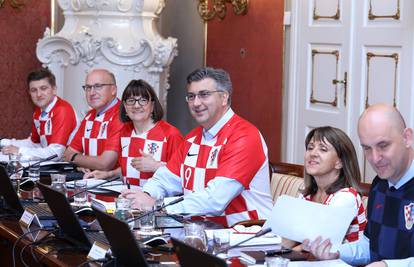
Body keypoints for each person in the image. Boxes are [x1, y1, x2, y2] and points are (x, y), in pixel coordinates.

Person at [120, 67, 273, 227]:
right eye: (191, 96)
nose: (196, 103)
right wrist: (145, 195)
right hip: (200, 232)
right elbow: (166, 178)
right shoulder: (193, 138)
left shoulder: (245, 136)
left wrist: (157, 205)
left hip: (246, 237)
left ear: (224, 97)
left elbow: (215, 200)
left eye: (204, 95)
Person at [304, 104, 414, 267]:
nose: (375, 158)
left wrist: (387, 265)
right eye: (367, 148)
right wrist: (337, 252)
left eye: (383, 145)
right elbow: (369, 247)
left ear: (407, 138)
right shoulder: (379, 185)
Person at [84, 79, 183, 185]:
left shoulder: (170, 134)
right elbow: (130, 170)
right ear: (125, 107)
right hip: (129, 198)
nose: (136, 106)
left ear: (152, 105)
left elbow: (181, 174)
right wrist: (109, 175)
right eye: (131, 100)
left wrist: (156, 166)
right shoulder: (124, 132)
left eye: (143, 100)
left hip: (157, 200)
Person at [1, 68, 77, 161]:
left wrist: (20, 150)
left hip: (67, 168)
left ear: (54, 89)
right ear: (29, 93)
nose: (39, 94)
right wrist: (4, 142)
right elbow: (34, 143)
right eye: (34, 90)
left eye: (43, 88)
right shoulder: (38, 111)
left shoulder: (63, 110)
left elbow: (55, 153)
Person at [62, 69, 123, 172]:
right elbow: (67, 154)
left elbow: (105, 164)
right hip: (92, 181)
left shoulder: (122, 115)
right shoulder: (89, 116)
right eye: (88, 87)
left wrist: (75, 159)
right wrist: (81, 164)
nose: (91, 93)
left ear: (113, 90)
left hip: (116, 184)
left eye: (98, 86)